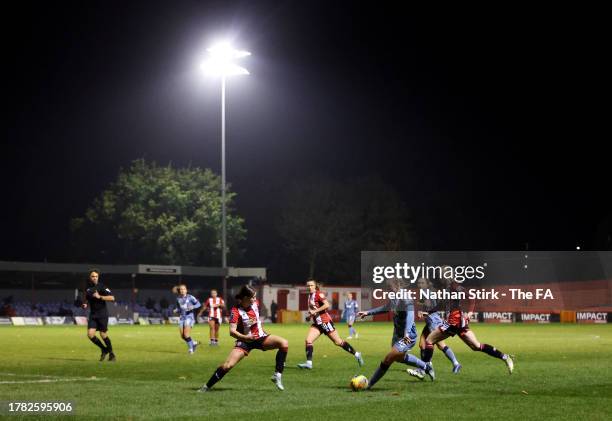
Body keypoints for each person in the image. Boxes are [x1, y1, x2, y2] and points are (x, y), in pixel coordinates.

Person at [420, 273, 515, 374]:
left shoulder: (454, 286)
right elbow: (442, 304)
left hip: (454, 321)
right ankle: (505, 357)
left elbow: (471, 297)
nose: (440, 278)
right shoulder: (447, 288)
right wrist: (428, 312)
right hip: (458, 322)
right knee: (476, 346)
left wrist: (469, 313)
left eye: (442, 276)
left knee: (429, 340)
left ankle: (424, 370)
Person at [199, 285, 288, 392]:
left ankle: (277, 375)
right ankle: (206, 387)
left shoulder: (255, 304)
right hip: (245, 341)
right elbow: (232, 331)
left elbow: (255, 318)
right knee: (228, 366)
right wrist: (245, 337)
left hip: (261, 338)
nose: (255, 299)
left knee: (284, 343)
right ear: (245, 298)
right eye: (253, 297)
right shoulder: (236, 311)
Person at [357, 278, 434, 389]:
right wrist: (368, 312)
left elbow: (410, 316)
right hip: (397, 334)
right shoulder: (394, 297)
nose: (388, 291)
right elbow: (386, 307)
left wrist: (407, 333)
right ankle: (426, 367)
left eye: (390, 288)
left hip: (408, 336)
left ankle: (369, 384)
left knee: (388, 358)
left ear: (397, 285)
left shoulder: (405, 297)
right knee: (399, 358)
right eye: (387, 289)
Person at [297, 279, 364, 370]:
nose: (309, 287)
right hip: (317, 323)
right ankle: (309, 363)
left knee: (338, 342)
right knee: (308, 340)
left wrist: (314, 311)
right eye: (308, 286)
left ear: (315, 286)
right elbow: (315, 309)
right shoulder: (310, 296)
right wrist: (310, 316)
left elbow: (326, 305)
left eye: (311, 285)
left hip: (325, 322)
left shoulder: (319, 294)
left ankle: (357, 354)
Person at [407, 277, 461, 380]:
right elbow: (427, 302)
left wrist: (424, 311)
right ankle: (427, 366)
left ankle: (426, 368)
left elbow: (429, 304)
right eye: (418, 283)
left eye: (422, 283)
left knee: (438, 344)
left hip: (433, 321)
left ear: (427, 284)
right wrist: (421, 304)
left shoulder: (427, 292)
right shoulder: (427, 291)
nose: (420, 284)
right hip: (430, 321)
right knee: (423, 344)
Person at [82, 269, 116, 361]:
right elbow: (87, 298)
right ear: (90, 277)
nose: (95, 278)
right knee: (90, 334)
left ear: (98, 277)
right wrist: (85, 304)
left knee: (103, 334)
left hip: (102, 314)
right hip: (93, 314)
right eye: (93, 276)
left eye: (96, 276)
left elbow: (112, 298)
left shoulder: (102, 286)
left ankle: (112, 353)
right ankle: (104, 349)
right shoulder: (87, 288)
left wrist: (100, 297)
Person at [173, 284, 201, 354]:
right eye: (181, 289)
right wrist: (176, 310)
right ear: (179, 291)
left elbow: (199, 304)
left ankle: (191, 349)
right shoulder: (178, 299)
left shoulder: (190, 297)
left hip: (189, 317)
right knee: (182, 336)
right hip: (182, 318)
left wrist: (193, 307)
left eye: (184, 289)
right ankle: (193, 343)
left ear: (186, 290)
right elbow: (179, 308)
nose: (182, 290)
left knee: (186, 334)